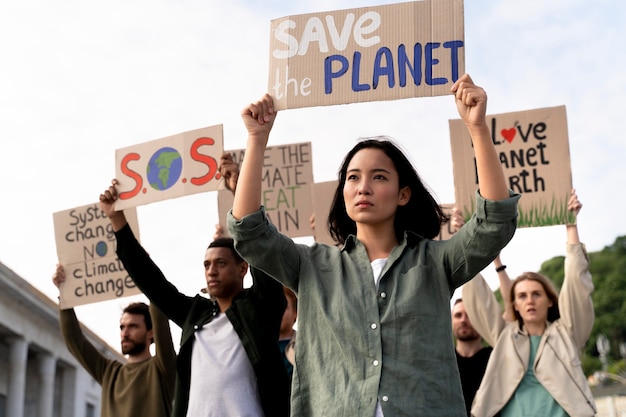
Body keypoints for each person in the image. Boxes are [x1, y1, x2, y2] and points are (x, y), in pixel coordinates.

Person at [227, 73, 520, 416]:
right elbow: (249, 233)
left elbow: (495, 223)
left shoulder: (436, 262)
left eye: (379, 176)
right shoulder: (312, 266)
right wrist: (257, 138)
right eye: (353, 177)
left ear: (403, 194)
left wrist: (477, 129)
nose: (363, 186)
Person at [99, 184, 290, 417]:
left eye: (221, 263)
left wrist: (239, 190)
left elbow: (262, 249)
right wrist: (117, 219)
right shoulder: (195, 315)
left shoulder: (259, 307)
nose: (211, 271)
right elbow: (152, 283)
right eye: (207, 265)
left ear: (243, 268)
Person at [463, 190, 597, 417]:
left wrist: (571, 226)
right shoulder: (503, 335)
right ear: (514, 304)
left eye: (537, 294)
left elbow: (576, 282)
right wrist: (464, 236)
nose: (530, 301)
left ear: (549, 300)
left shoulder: (568, 333)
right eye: (522, 296)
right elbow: (475, 293)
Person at [52, 265, 176, 417]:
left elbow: (160, 319)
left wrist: (147, 273)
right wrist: (63, 293)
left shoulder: (162, 368)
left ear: (151, 333)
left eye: (133, 326)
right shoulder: (109, 372)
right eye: (122, 327)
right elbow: (74, 341)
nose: (125, 333)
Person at [452, 298, 492, 416]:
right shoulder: (442, 361)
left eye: (469, 315)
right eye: (458, 315)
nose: (463, 320)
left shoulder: (495, 358)